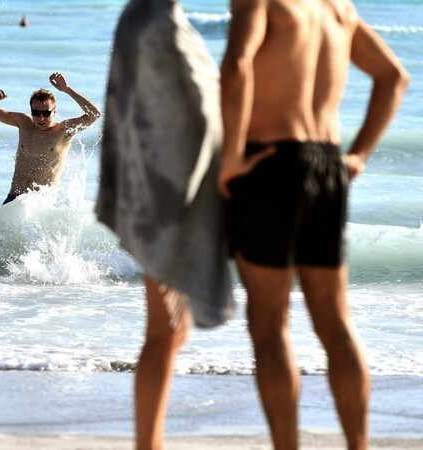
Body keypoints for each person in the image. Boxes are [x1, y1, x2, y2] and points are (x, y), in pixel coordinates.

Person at [217, 1, 409, 449]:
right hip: (326, 163)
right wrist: (358, 154)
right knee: (335, 322)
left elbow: (237, 65)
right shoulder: (337, 7)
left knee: (268, 321)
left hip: (270, 162)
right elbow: (393, 77)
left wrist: (230, 156)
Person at [95, 1, 234, 449]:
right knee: (163, 331)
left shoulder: (141, 18)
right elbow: (201, 107)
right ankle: (148, 443)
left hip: (156, 189)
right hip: (167, 195)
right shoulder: (156, 23)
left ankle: (149, 441)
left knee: (171, 331)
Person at [0, 72, 101, 204]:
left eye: (46, 113)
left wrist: (67, 90)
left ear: (54, 112)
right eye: (36, 112)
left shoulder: (63, 130)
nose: (41, 118)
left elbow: (94, 115)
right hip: (14, 200)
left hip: (42, 205)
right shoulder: (24, 122)